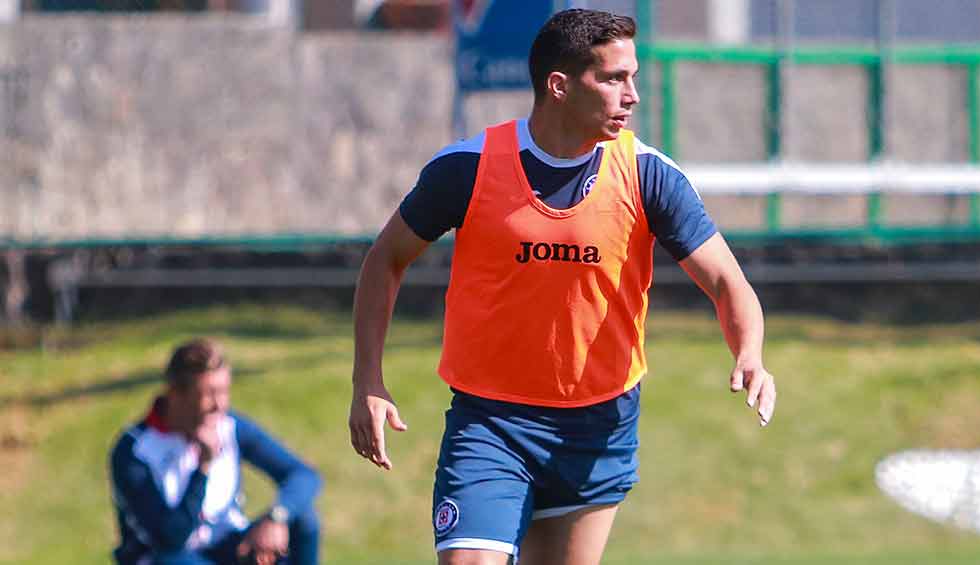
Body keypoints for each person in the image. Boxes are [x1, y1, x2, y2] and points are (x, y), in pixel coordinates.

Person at [349, 8, 777, 565]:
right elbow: (385, 261)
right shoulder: (467, 168)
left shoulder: (649, 176)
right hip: (491, 424)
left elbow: (727, 281)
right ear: (560, 85)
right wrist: (368, 382)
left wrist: (751, 352)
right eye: (615, 78)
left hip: (598, 426)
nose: (633, 96)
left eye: (634, 78)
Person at [110, 338, 322, 565]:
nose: (220, 405)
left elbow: (303, 475)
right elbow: (169, 539)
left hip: (229, 547)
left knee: (303, 520)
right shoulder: (135, 451)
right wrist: (203, 468)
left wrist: (277, 516)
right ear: (175, 394)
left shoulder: (230, 427)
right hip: (169, 556)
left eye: (224, 391)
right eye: (209, 394)